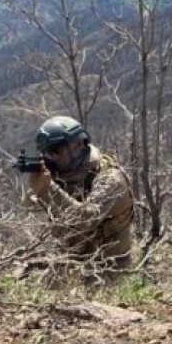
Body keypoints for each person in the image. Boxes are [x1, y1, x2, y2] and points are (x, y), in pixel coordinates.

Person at [24, 116, 134, 272]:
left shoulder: (110, 178)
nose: (51, 158)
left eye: (55, 151)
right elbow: (29, 208)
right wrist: (39, 186)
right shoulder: (63, 174)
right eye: (47, 153)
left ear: (77, 145)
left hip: (109, 267)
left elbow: (87, 219)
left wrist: (48, 189)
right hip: (73, 262)